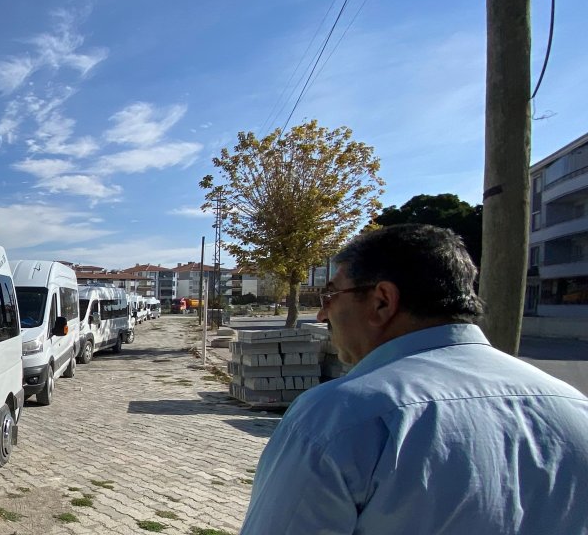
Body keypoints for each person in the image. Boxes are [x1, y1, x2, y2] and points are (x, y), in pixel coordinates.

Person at [241, 224, 588, 534]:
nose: (321, 313)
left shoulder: (340, 416)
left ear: (382, 301)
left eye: (330, 295)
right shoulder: (573, 407)